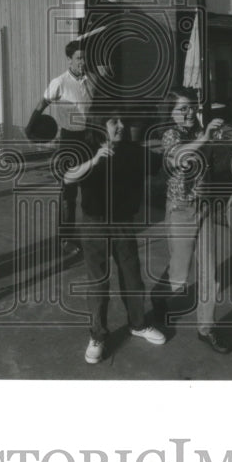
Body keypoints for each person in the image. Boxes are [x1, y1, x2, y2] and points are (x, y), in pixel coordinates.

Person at [63, 103, 166, 364]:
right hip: (94, 223)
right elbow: (67, 177)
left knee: (132, 275)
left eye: (122, 121)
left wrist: (198, 142)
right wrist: (94, 160)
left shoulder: (132, 150)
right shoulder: (85, 148)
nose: (121, 126)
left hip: (123, 223)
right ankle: (98, 335)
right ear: (100, 125)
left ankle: (138, 324)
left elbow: (164, 162)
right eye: (114, 121)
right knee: (98, 282)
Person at [155, 87, 230, 353]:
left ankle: (206, 328)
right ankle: (158, 297)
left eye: (192, 107)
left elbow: (203, 161)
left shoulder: (197, 131)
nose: (189, 113)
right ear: (171, 112)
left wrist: (210, 140)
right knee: (179, 276)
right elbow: (180, 156)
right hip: (181, 210)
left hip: (204, 208)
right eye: (183, 108)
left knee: (210, 273)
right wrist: (205, 138)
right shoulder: (170, 135)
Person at [26, 40, 94, 256]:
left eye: (85, 58)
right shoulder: (59, 82)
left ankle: (91, 236)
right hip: (69, 141)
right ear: (69, 60)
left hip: (90, 140)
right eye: (78, 58)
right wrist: (30, 126)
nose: (83, 62)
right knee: (68, 194)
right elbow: (42, 103)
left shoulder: (92, 81)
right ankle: (66, 239)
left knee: (91, 190)